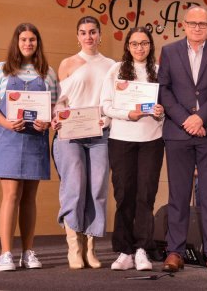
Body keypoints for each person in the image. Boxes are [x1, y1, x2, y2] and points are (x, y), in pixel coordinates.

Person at [158, 6, 207, 274]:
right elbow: (164, 90)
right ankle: (174, 252)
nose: (198, 28)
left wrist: (200, 118)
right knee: (178, 195)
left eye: (203, 24)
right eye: (193, 23)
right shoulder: (169, 51)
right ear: (183, 25)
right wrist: (186, 120)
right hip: (178, 133)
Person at [0, 23, 57, 272]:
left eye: (32, 39)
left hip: (35, 139)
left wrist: (47, 122)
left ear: (38, 43)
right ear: (16, 42)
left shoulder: (48, 73)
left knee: (29, 198)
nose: (27, 43)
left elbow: (54, 107)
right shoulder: (1, 70)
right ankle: (6, 253)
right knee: (11, 195)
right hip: (9, 139)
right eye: (23, 39)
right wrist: (5, 123)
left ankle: (27, 252)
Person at [51, 16, 114, 269]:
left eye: (93, 32)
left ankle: (90, 248)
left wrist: (106, 119)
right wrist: (57, 117)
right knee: (74, 187)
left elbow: (113, 102)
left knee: (97, 189)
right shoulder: (67, 64)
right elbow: (60, 102)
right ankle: (74, 248)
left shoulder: (111, 66)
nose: (89, 36)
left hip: (100, 135)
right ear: (77, 36)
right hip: (70, 134)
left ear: (100, 35)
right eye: (83, 32)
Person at [100, 27, 165, 271]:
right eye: (135, 43)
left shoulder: (159, 71)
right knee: (124, 194)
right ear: (128, 46)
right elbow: (105, 106)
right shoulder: (115, 70)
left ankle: (142, 250)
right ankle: (125, 250)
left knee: (146, 195)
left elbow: (165, 106)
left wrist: (160, 111)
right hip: (121, 139)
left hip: (152, 140)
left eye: (144, 43)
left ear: (151, 46)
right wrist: (128, 113)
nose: (140, 48)